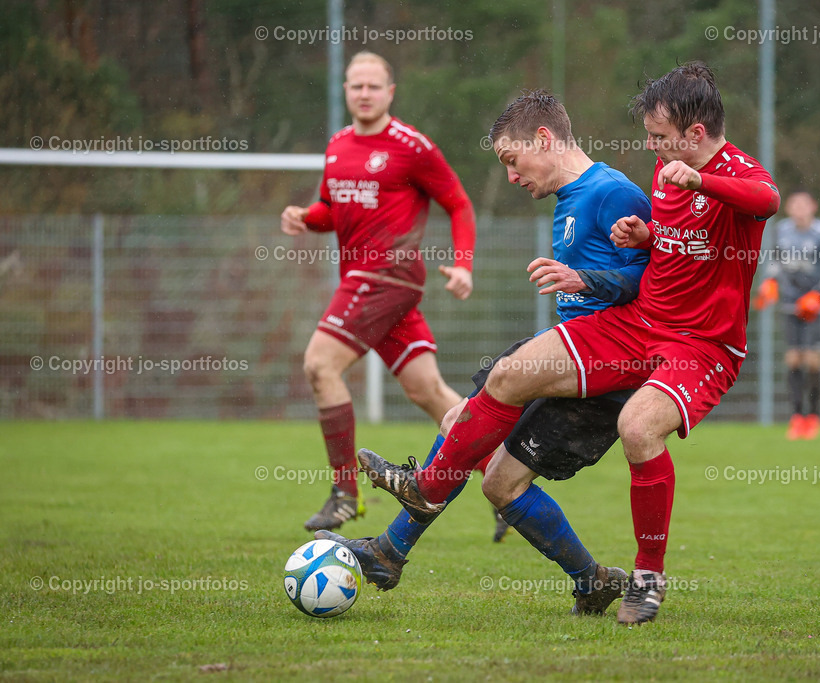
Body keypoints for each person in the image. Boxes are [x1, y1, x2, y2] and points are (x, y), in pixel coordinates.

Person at [358, 62, 780, 625]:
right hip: (639, 324)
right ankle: (417, 513)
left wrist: (697, 183)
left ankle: (646, 579)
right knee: (497, 388)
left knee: (635, 427)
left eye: (658, 137)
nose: (651, 147)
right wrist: (648, 234)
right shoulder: (662, 172)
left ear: (695, 134)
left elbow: (766, 200)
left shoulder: (715, 173)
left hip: (700, 345)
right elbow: (676, 251)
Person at [318, 90, 651, 616]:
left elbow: (656, 283)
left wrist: (585, 279)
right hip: (565, 362)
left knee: (484, 456)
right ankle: (591, 581)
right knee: (474, 447)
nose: (513, 176)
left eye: (512, 161)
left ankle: (395, 539)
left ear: (543, 139)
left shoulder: (613, 193)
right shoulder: (572, 199)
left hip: (605, 375)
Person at [280, 51, 476, 531]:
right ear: (345, 90)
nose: (364, 94)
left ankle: (345, 494)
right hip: (371, 284)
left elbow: (459, 204)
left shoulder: (412, 146)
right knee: (427, 390)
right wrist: (305, 217)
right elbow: (332, 210)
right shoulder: (337, 146)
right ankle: (505, 484)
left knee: (319, 364)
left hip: (388, 275)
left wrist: (464, 265)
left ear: (390, 92)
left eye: (373, 86)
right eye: (355, 86)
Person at [754, 190, 820, 440]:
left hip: (819, 306)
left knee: (813, 360)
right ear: (788, 209)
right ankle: (797, 417)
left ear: (813, 207)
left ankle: (814, 416)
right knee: (794, 358)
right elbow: (773, 260)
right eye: (794, 205)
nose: (799, 209)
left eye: (804, 205)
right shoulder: (782, 230)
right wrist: (770, 281)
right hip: (790, 304)